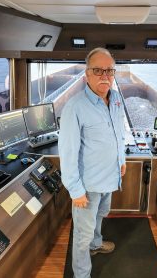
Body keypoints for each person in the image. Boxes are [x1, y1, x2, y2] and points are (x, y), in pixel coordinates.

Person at [58, 47, 126, 278]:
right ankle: (82, 274)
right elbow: (67, 152)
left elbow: (119, 132)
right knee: (82, 235)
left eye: (109, 70)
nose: (105, 76)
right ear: (87, 74)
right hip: (87, 186)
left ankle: (96, 245)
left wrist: (122, 159)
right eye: (98, 70)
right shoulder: (75, 107)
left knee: (100, 216)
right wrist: (76, 190)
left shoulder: (116, 99)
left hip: (110, 178)